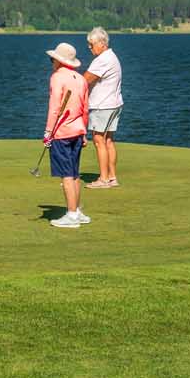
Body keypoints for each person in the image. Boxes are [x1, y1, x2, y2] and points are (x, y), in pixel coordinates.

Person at [43, 42, 90, 228]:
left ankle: (71, 215)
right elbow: (86, 110)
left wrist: (48, 132)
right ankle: (76, 211)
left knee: (67, 175)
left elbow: (54, 108)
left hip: (62, 132)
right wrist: (85, 132)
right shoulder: (81, 79)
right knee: (74, 172)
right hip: (78, 131)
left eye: (52, 59)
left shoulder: (57, 77)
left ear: (58, 61)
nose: (51, 62)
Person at [83, 27, 123, 188]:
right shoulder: (111, 56)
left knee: (99, 140)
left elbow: (85, 80)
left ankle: (104, 179)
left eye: (91, 44)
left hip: (102, 106)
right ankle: (112, 177)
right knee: (108, 141)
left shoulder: (102, 60)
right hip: (114, 104)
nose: (89, 47)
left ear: (101, 43)